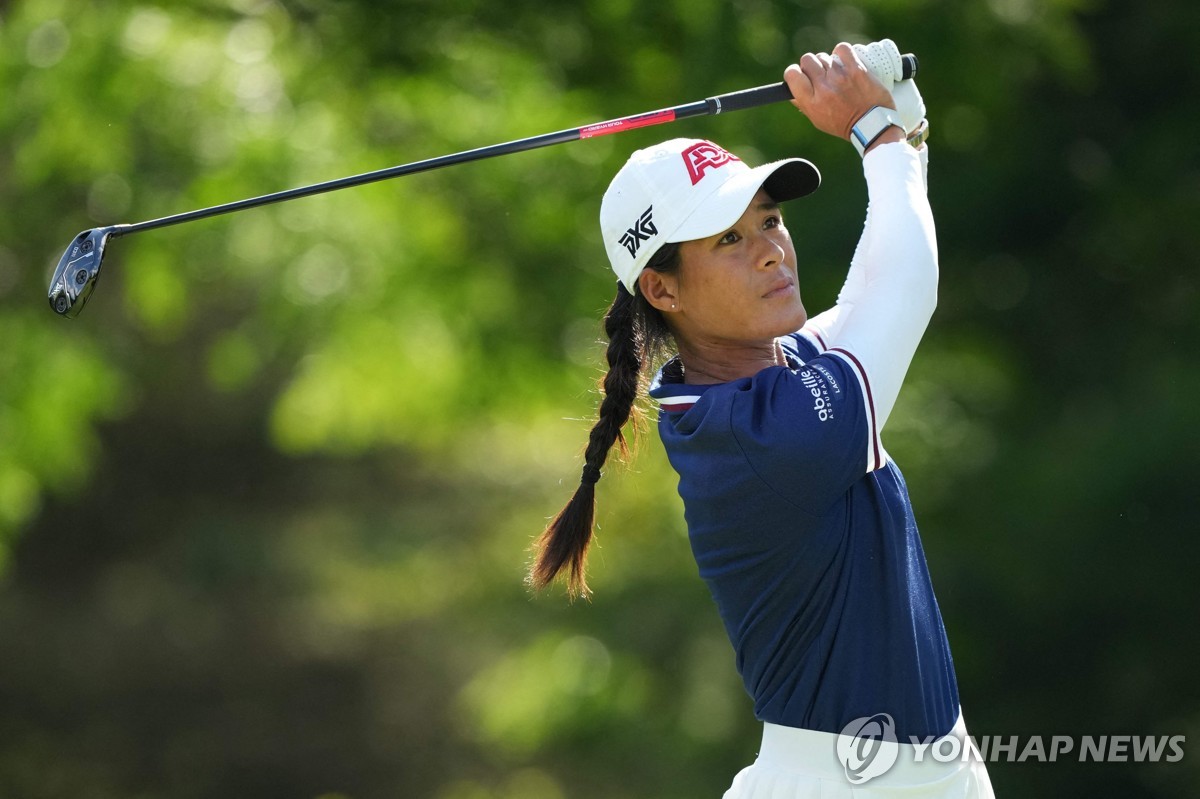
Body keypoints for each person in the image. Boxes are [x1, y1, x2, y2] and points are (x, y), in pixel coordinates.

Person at [530, 40, 996, 798]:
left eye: (770, 219)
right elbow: (905, 290)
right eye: (729, 239)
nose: (772, 252)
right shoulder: (766, 434)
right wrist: (875, 136)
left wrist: (902, 134)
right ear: (663, 290)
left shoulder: (757, 382)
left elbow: (883, 278)